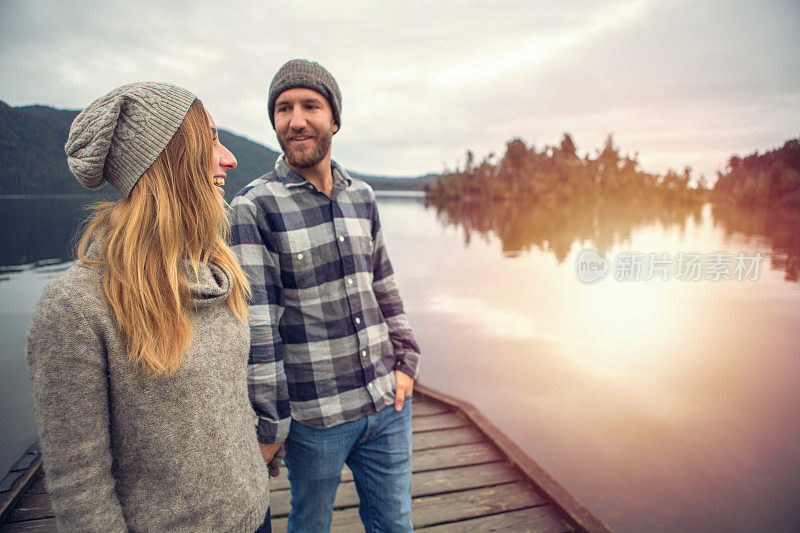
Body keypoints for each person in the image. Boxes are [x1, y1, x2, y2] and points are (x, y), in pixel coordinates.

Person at [26, 82, 272, 532]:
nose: (230, 158)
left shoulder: (220, 272)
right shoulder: (76, 308)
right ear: (166, 161)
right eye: (210, 139)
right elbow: (80, 485)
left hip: (255, 518)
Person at [229, 59, 421, 532]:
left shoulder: (364, 196)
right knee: (310, 522)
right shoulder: (254, 207)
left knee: (395, 525)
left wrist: (407, 359)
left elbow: (384, 284)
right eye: (283, 109)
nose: (296, 120)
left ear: (334, 119)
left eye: (310, 106)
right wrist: (271, 424)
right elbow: (260, 329)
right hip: (316, 419)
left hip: (387, 403)